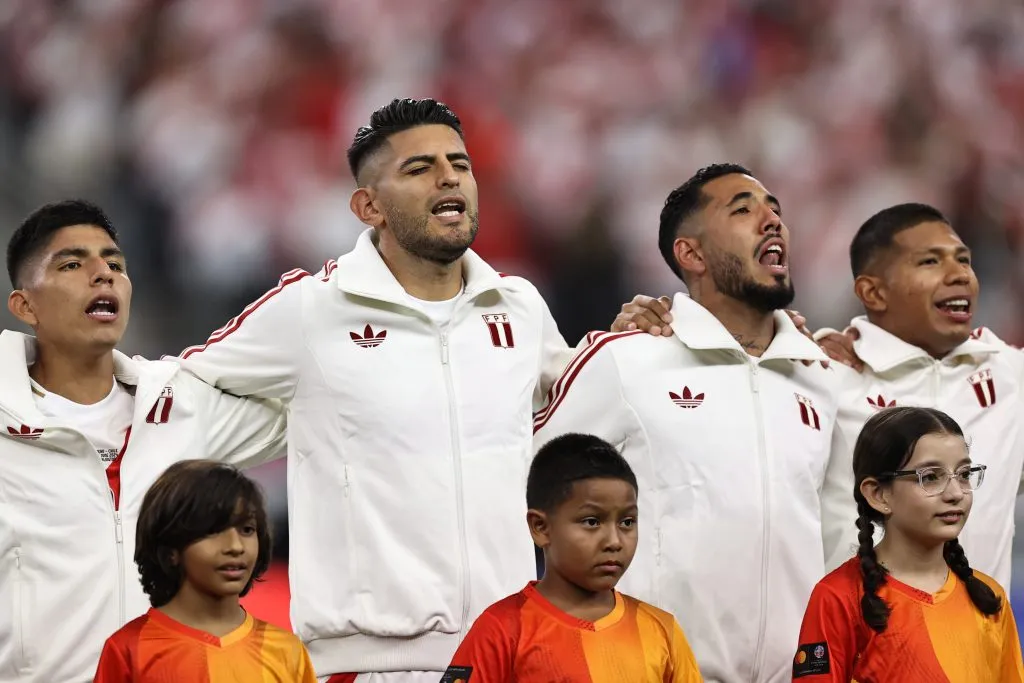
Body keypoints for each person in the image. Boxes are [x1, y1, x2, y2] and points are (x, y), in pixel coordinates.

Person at [173, 98, 671, 683]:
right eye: (419, 168)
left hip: (512, 658)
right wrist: (290, 421)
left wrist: (622, 344)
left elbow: (572, 408)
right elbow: (186, 386)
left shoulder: (520, 306)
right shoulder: (311, 310)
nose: (448, 177)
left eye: (459, 163)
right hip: (373, 665)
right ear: (369, 206)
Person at [534, 163, 849, 683]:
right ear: (691, 253)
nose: (771, 219)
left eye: (775, 209)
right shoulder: (629, 359)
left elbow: (844, 537)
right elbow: (522, 483)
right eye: (743, 209)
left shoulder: (819, 378)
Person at [0, 200, 288, 683]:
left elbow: (313, 407)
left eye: (115, 264)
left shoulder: (183, 405)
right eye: (72, 264)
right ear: (25, 305)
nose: (103, 274)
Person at [801, 203, 1024, 586]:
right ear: (873, 291)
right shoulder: (822, 377)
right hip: (862, 635)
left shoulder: (1010, 376)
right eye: (930, 262)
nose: (960, 275)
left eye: (964, 260)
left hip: (982, 639)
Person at [442, 433, 702, 683]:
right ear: (541, 528)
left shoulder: (662, 630)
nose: (614, 541)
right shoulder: (502, 630)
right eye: (592, 521)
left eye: (627, 521)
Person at [793, 406, 1024, 682]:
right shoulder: (838, 598)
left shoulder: (988, 598)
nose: (955, 493)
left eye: (963, 474)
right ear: (878, 494)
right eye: (930, 477)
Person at [94, 460, 316, 681]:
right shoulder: (128, 650)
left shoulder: (287, 651)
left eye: (247, 529)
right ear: (171, 549)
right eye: (213, 531)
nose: (236, 546)